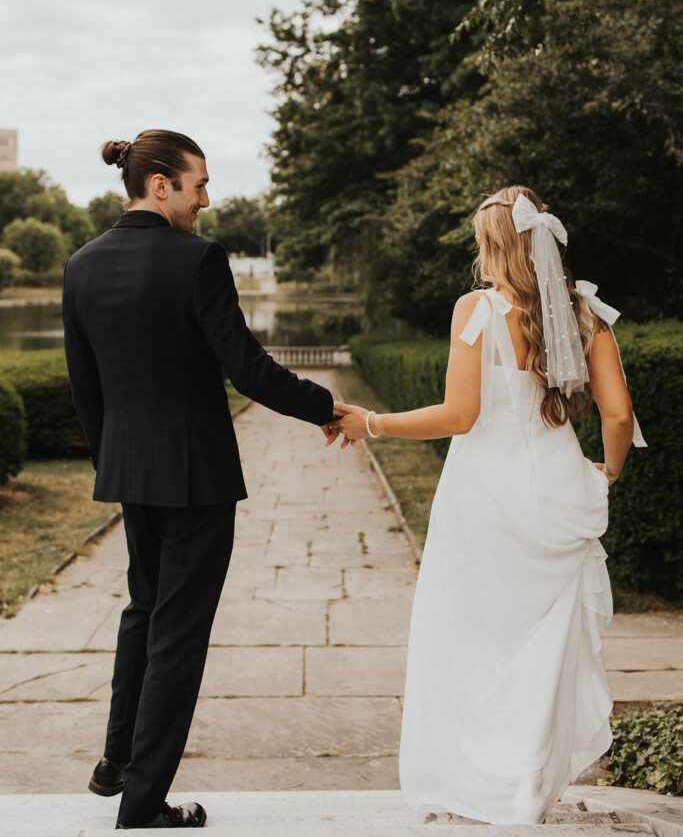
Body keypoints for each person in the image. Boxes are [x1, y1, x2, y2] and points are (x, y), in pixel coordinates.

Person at [333, 185, 646, 825]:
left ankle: (480, 779)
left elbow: (459, 416)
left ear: (493, 245)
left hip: (485, 497)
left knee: (474, 637)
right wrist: (605, 475)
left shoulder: (476, 310)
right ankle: (526, 783)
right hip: (556, 490)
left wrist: (371, 423)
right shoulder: (585, 313)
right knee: (542, 645)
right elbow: (619, 415)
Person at [62, 129, 339, 830]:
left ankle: (117, 762)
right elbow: (245, 367)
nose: (206, 200)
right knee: (177, 635)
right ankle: (144, 804)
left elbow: (84, 386)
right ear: (161, 186)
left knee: (144, 614)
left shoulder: (82, 265)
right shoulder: (197, 259)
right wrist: (325, 408)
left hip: (131, 471)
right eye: (199, 185)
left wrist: (112, 461)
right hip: (196, 475)